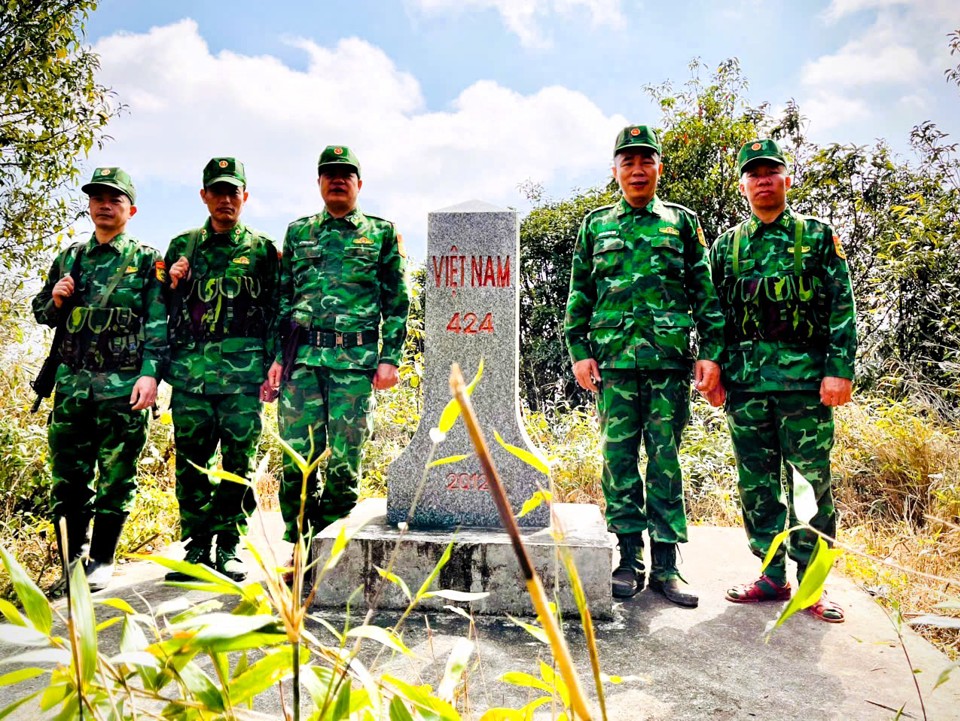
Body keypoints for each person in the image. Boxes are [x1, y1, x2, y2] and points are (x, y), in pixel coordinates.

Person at [564, 125, 725, 606]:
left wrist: (710, 352)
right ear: (614, 170)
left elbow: (705, 295)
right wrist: (579, 351)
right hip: (614, 366)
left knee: (665, 462)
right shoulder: (595, 225)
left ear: (659, 167)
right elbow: (580, 295)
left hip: (668, 365)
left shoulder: (681, 222)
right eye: (627, 161)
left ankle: (667, 567)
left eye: (645, 160)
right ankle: (628, 560)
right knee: (618, 462)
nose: (637, 169)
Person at [706, 138, 857, 623]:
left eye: (771, 170)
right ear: (744, 184)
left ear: (786, 179)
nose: (763, 179)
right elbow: (713, 314)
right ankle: (771, 577)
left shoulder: (815, 236)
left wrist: (839, 369)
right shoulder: (726, 246)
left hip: (803, 383)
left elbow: (840, 303)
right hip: (746, 384)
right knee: (757, 485)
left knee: (810, 484)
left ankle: (813, 584)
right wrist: (711, 367)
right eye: (754, 173)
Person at [266, 145, 410, 547]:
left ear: (358, 184)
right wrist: (278, 359)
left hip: (355, 364)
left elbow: (396, 301)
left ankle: (327, 546)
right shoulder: (298, 233)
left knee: (346, 463)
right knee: (298, 461)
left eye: (346, 174)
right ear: (319, 182)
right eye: (330, 173)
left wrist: (390, 359)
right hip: (303, 364)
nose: (337, 180)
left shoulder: (380, 233)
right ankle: (299, 549)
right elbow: (283, 299)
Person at [33, 167, 168, 592]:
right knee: (68, 476)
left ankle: (102, 560)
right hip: (73, 386)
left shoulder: (147, 260)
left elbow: (160, 323)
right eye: (97, 198)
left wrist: (150, 375)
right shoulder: (71, 258)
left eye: (114, 199)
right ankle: (72, 562)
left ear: (131, 209)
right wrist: (56, 299)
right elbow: (41, 312)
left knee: (116, 475)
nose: (105, 206)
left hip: (123, 387)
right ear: (90, 206)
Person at [163, 158, 280, 582]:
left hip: (243, 378)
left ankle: (228, 548)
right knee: (191, 465)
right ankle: (195, 551)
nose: (225, 199)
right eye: (217, 191)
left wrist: (272, 368)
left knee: (239, 465)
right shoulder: (182, 246)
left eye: (233, 192)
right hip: (191, 376)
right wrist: (171, 283)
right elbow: (161, 309)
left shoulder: (264, 251)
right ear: (204, 196)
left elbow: (276, 312)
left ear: (245, 197)